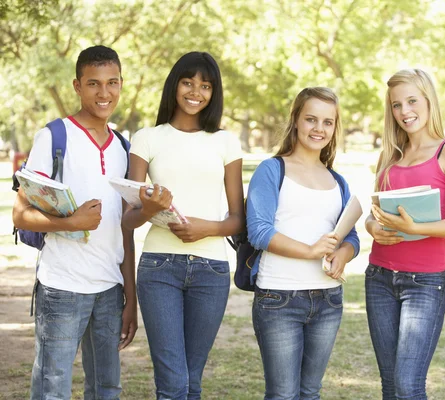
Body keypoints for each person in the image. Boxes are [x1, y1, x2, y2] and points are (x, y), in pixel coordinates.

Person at [12, 45, 137, 399]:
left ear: (121, 84)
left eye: (112, 82)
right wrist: (72, 222)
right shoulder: (54, 137)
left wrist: (131, 296)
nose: (104, 93)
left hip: (110, 290)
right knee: (53, 386)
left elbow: (123, 230)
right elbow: (20, 215)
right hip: (62, 286)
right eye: (93, 83)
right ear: (77, 86)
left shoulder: (124, 149)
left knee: (107, 387)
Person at [122, 51, 244, 400]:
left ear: (214, 92)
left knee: (191, 381)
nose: (196, 92)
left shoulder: (225, 142)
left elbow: (238, 220)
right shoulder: (147, 138)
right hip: (160, 269)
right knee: (174, 383)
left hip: (212, 271)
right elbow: (127, 220)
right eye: (188, 82)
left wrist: (205, 228)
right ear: (175, 84)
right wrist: (149, 208)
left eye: (205, 85)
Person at [365, 68, 445, 400]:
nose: (404, 111)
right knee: (389, 383)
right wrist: (373, 227)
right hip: (380, 277)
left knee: (407, 385)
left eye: (412, 101)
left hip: (426, 281)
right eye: (396, 105)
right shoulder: (389, 155)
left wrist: (416, 228)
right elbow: (375, 214)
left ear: (429, 102)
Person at [246, 87, 360, 400]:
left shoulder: (337, 181)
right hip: (279, 298)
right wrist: (310, 251)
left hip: (328, 301)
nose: (318, 129)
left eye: (327, 122)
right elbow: (259, 231)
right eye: (311, 119)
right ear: (296, 120)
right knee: (283, 394)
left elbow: (350, 236)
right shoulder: (272, 170)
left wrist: (343, 255)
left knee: (310, 392)